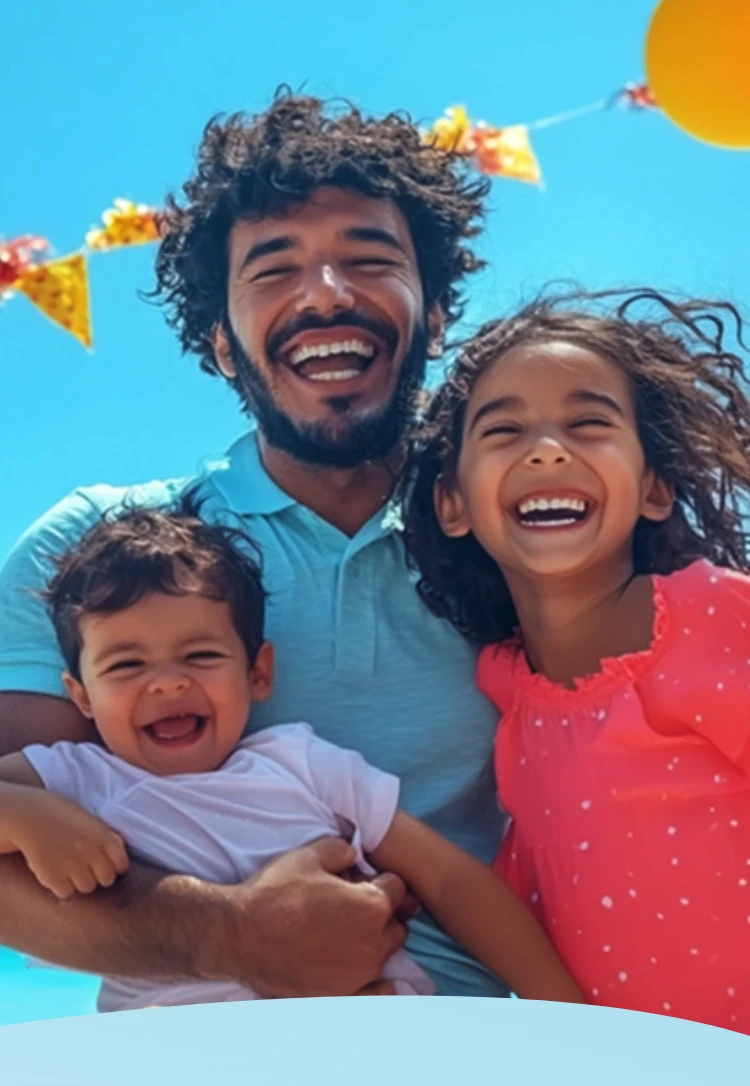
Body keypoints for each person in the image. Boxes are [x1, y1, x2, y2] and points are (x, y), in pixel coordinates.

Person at [0, 90, 508, 999]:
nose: (325, 294)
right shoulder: (87, 550)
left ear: (433, 315)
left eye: (369, 257)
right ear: (224, 345)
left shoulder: (519, 538)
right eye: (273, 269)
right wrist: (229, 936)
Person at [0, 500, 584, 1010]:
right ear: (80, 696)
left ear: (258, 672)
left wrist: (571, 1019)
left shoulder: (303, 763)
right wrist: (24, 816)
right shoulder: (73, 777)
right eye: (127, 665)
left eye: (200, 655)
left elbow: (450, 880)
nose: (166, 684)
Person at [404, 287, 750, 1032]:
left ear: (654, 488)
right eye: (504, 430)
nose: (548, 447)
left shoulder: (716, 617)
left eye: (590, 423)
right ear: (453, 504)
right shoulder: (505, 693)